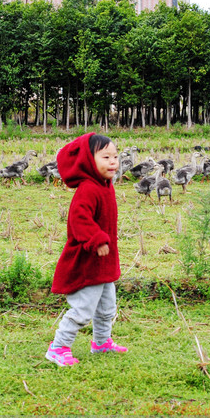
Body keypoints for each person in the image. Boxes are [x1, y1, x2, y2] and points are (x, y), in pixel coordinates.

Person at [45, 133, 127, 366]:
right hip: (87, 260)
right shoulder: (88, 189)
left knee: (107, 307)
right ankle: (58, 347)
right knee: (82, 310)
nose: (113, 161)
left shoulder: (105, 186)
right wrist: (97, 239)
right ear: (89, 161)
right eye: (105, 157)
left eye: (115, 156)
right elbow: (79, 219)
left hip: (103, 261)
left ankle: (101, 342)